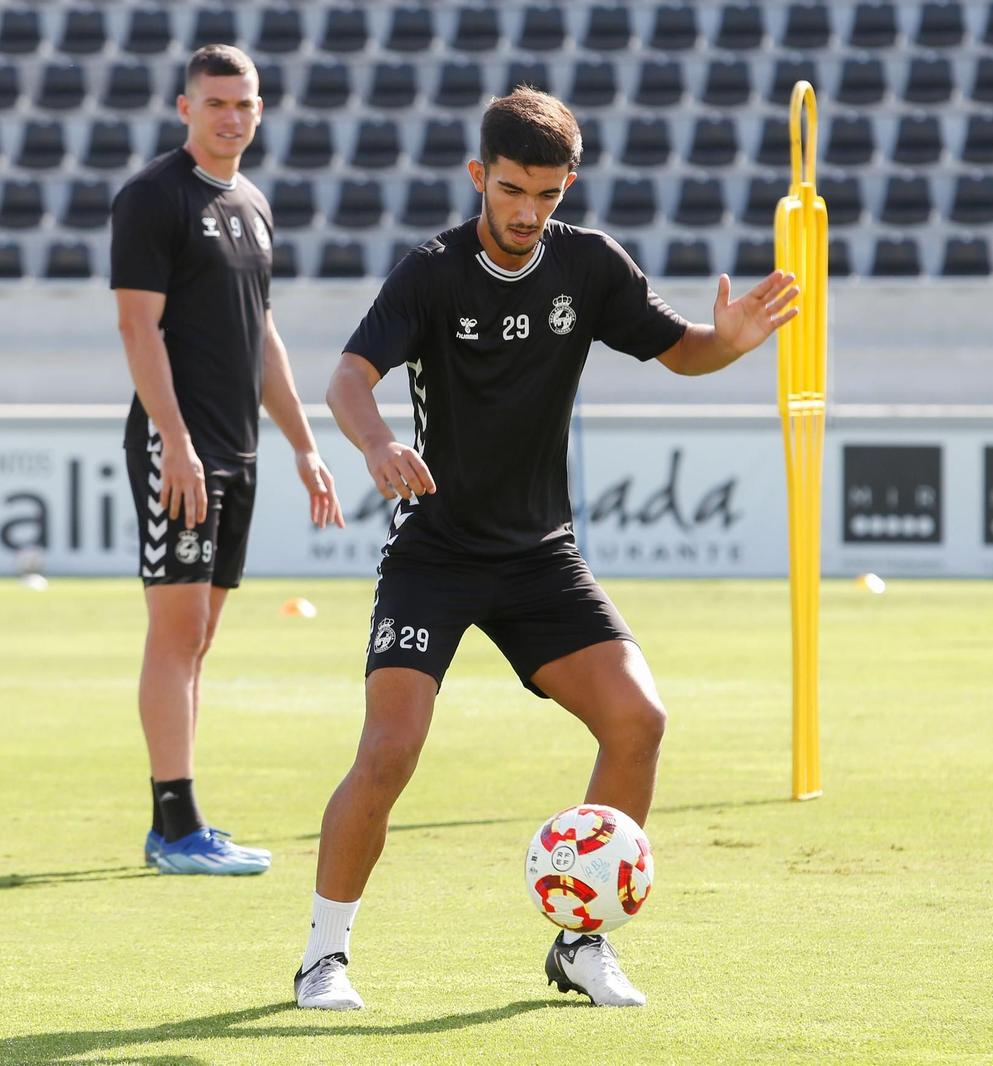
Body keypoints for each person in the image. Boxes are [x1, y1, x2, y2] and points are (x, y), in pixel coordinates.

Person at [293, 88, 798, 1005]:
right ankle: (324, 954)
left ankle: (583, 941)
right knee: (392, 748)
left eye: (550, 194)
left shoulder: (590, 264)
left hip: (539, 558)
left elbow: (676, 348)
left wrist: (725, 343)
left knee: (639, 721)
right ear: (479, 176)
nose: (529, 212)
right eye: (514, 190)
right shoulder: (430, 272)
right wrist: (374, 443)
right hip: (436, 554)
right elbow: (347, 377)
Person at [112, 44, 344, 875]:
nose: (231, 117)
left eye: (244, 103)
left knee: (199, 636)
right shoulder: (152, 197)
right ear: (185, 108)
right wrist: (174, 443)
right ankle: (175, 827)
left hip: (236, 451)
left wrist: (306, 445)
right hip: (181, 448)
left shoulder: (252, 202)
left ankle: (178, 822)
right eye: (216, 103)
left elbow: (264, 335)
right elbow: (138, 328)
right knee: (175, 634)